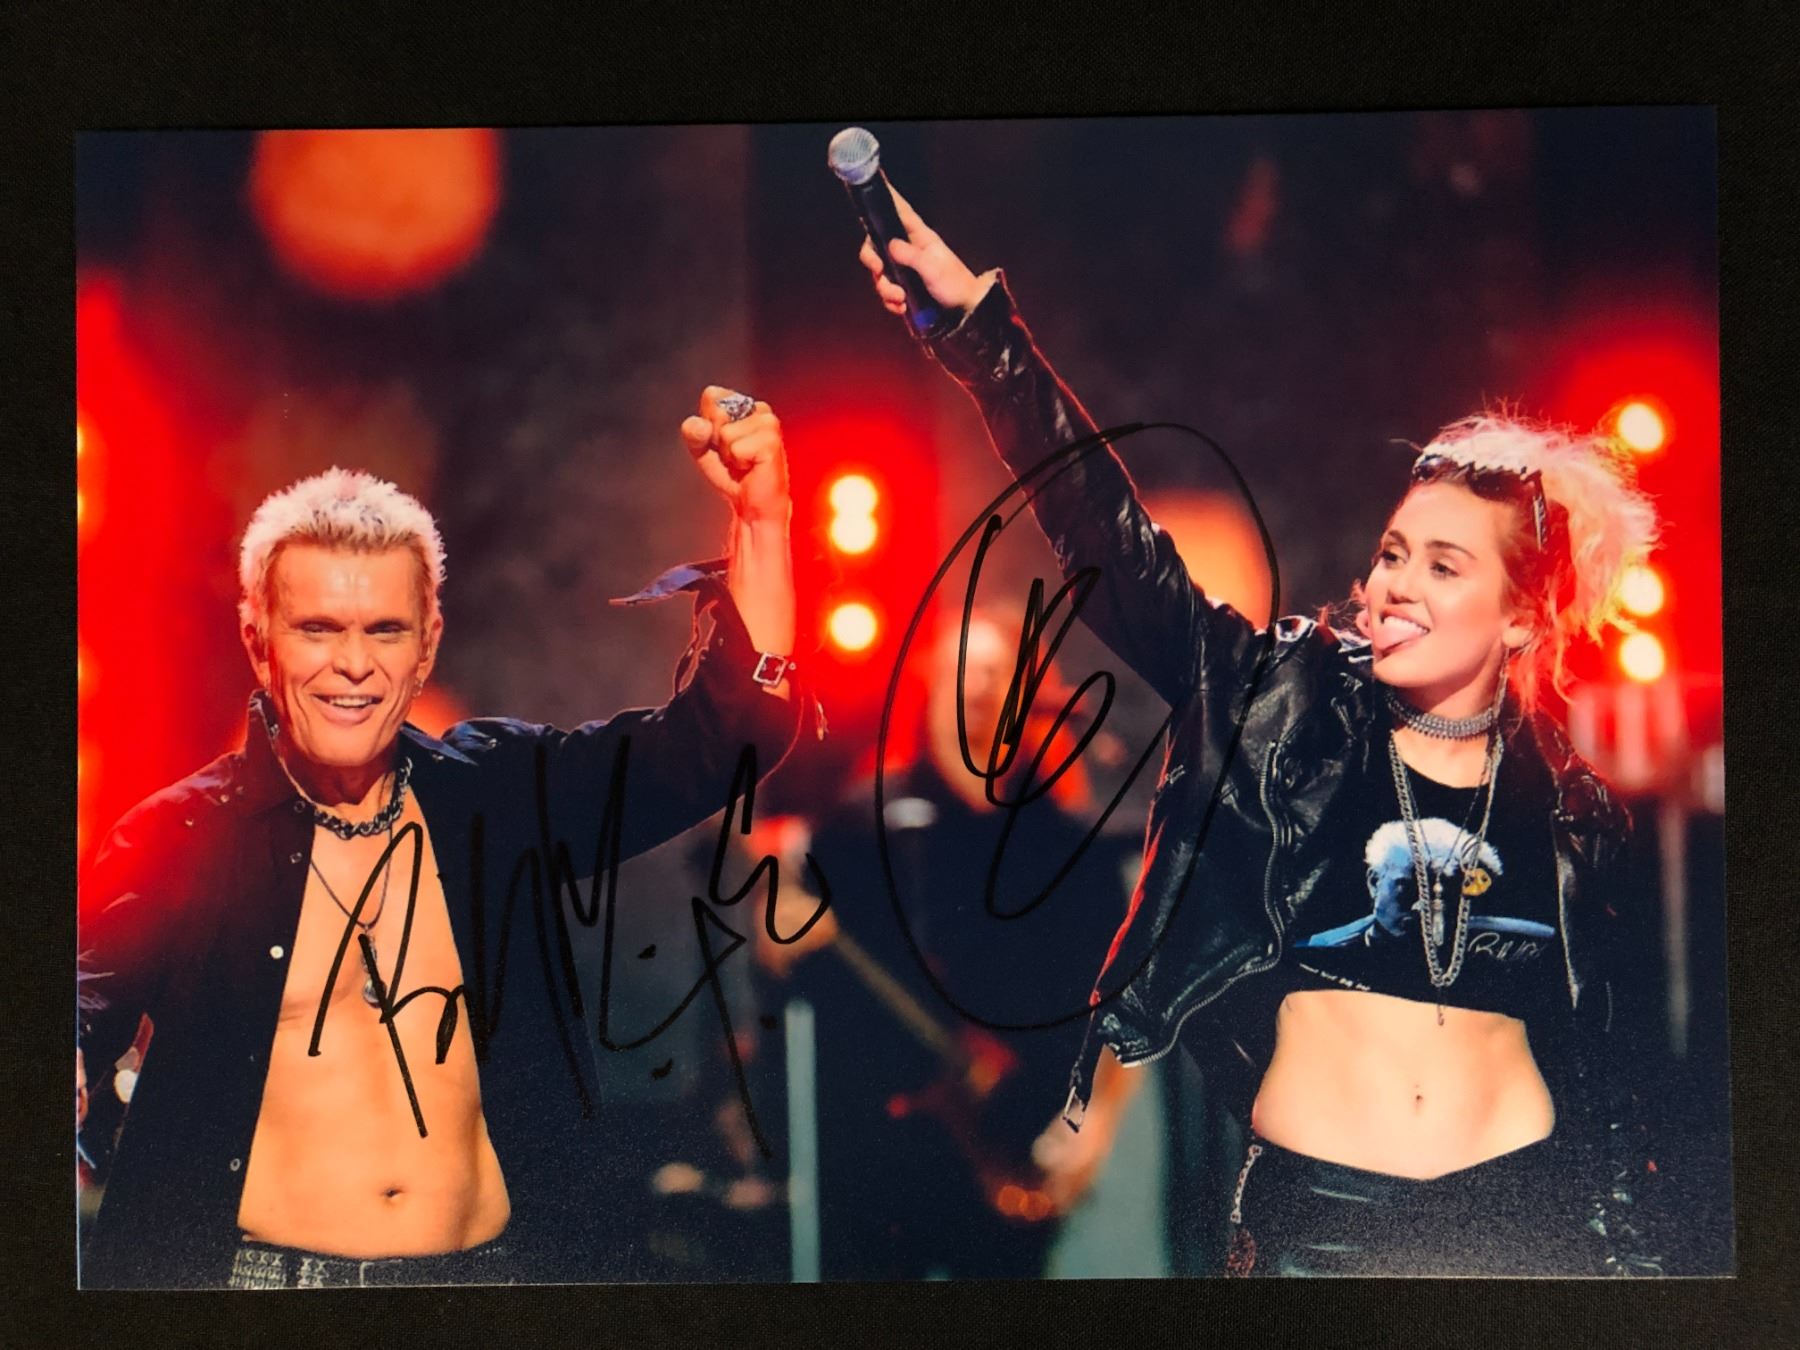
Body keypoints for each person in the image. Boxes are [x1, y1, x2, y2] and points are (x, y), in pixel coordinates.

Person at [854, 196, 1665, 1276]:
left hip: (1521, 1228)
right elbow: (1112, 540)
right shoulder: (1282, 706)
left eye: (1443, 564)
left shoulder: (1572, 809)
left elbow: (1612, 1083)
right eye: (1392, 552)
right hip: (1319, 1227)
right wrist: (983, 339)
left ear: (1520, 617)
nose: (1395, 584)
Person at [76, 387, 815, 1288]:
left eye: (385, 630)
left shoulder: (498, 794)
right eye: (318, 629)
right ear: (258, 639)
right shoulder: (180, 836)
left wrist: (764, 519)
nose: (354, 664)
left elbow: (727, 741)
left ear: (427, 645)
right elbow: (77, 1011)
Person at [751, 612, 1140, 1279]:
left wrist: (1095, 1128)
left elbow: (1124, 1006)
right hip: (881, 1159)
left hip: (1012, 1154)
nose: (978, 687)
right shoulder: (860, 826)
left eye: (997, 673)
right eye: (963, 671)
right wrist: (777, 937)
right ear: (931, 686)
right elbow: (786, 965)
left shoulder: (1070, 844)